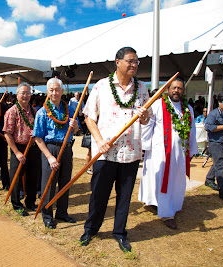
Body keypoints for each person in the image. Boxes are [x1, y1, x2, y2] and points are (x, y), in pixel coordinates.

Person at [80, 47, 150, 252]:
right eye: (130, 61)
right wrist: (100, 141)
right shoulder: (101, 86)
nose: (134, 65)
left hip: (131, 152)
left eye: (137, 61)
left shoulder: (142, 88)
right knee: (99, 195)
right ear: (117, 62)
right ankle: (91, 229)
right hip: (105, 152)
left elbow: (146, 120)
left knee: (124, 196)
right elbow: (89, 117)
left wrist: (144, 115)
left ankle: (120, 233)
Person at [139, 78, 197, 229]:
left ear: (183, 91)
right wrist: (145, 146)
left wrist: (192, 149)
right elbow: (148, 126)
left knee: (176, 180)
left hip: (180, 153)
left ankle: (173, 205)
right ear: (168, 90)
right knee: (160, 180)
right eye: (174, 88)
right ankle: (166, 214)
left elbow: (192, 131)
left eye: (179, 88)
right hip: (160, 152)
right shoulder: (158, 105)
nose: (176, 91)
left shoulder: (188, 109)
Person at [33, 77, 80, 229]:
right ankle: (47, 215)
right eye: (51, 90)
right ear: (48, 92)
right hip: (50, 148)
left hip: (66, 148)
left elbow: (76, 131)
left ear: (62, 91)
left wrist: (75, 126)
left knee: (65, 182)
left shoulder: (70, 109)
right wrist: (49, 156)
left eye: (57, 90)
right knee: (49, 184)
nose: (54, 93)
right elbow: (38, 138)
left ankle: (62, 212)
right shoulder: (42, 112)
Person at [4, 83, 41, 216]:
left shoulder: (35, 111)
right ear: (17, 95)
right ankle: (16, 204)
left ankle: (30, 202)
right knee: (17, 176)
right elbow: (7, 134)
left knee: (33, 176)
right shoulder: (11, 111)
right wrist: (17, 152)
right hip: (18, 148)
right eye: (22, 93)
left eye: (27, 93)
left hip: (32, 147)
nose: (25, 96)